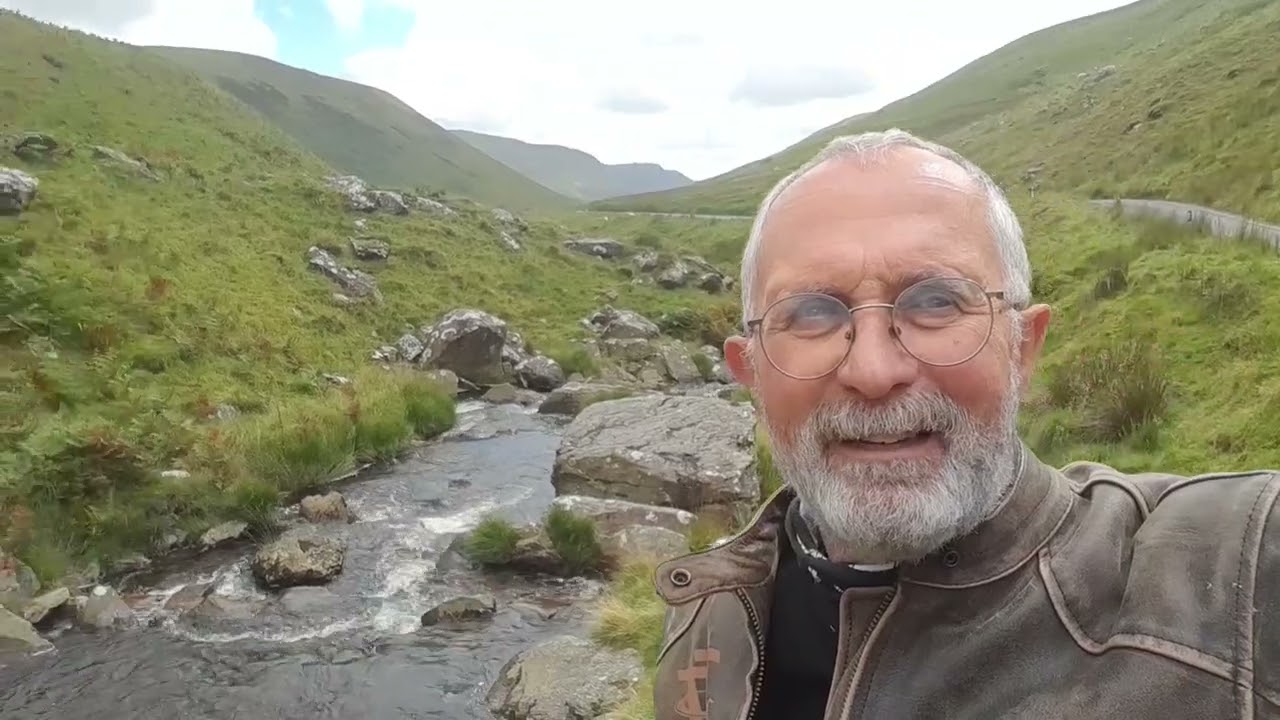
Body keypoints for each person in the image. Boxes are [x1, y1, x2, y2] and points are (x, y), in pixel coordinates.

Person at [649, 128, 1280, 720]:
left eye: (936, 302)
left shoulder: (1233, 577)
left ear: (1023, 349)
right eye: (812, 313)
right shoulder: (711, 606)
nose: (873, 370)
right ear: (751, 371)